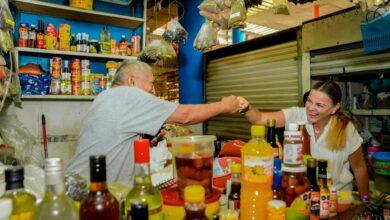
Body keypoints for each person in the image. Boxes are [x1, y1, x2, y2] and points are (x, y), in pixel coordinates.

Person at [66, 60, 246, 183]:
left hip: (77, 183)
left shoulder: (105, 96)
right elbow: (186, 115)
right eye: (151, 83)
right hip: (90, 193)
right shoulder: (129, 94)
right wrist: (224, 106)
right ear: (131, 80)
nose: (153, 90)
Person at [242, 81, 369, 199]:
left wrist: (365, 200)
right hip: (302, 198)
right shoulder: (296, 115)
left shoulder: (345, 128)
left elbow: (359, 168)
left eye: (319, 105)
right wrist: (245, 107)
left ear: (334, 108)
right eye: (309, 101)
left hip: (338, 199)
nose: (311, 108)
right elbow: (259, 118)